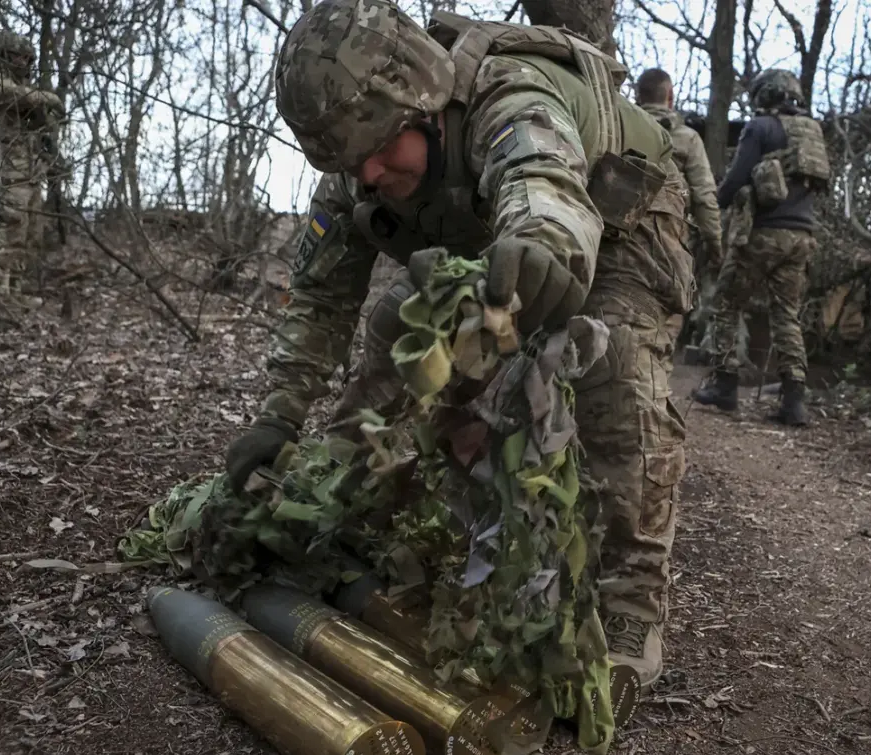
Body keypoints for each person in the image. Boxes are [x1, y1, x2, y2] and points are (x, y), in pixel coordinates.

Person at [223, 0, 695, 687]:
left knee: (612, 362)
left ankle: (629, 599)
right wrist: (278, 415)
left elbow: (543, 187)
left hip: (626, 223)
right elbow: (323, 300)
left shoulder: (509, 99)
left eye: (381, 150)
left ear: (424, 105)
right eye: (350, 163)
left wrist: (539, 250)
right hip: (499, 241)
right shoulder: (357, 167)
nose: (369, 177)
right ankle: (372, 519)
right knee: (404, 341)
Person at [691, 68, 830, 426]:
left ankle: (725, 385)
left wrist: (710, 205)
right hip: (802, 237)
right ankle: (794, 400)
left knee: (725, 304)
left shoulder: (760, 128)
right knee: (786, 315)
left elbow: (737, 178)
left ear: (764, 95)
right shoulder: (811, 131)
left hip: (763, 233)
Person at [0, 30, 64, 295]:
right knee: (7, 228)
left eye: (29, 60)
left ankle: (14, 290)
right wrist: (48, 98)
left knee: (28, 234)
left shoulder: (19, 88)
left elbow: (40, 124)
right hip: (0, 170)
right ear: (4, 55)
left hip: (25, 172)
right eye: (20, 58)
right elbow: (18, 96)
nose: (25, 65)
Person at [634, 68, 721, 270]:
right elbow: (704, 196)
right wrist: (715, 244)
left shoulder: (619, 126)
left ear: (638, 96)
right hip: (672, 240)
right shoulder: (688, 138)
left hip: (621, 238)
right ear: (670, 96)